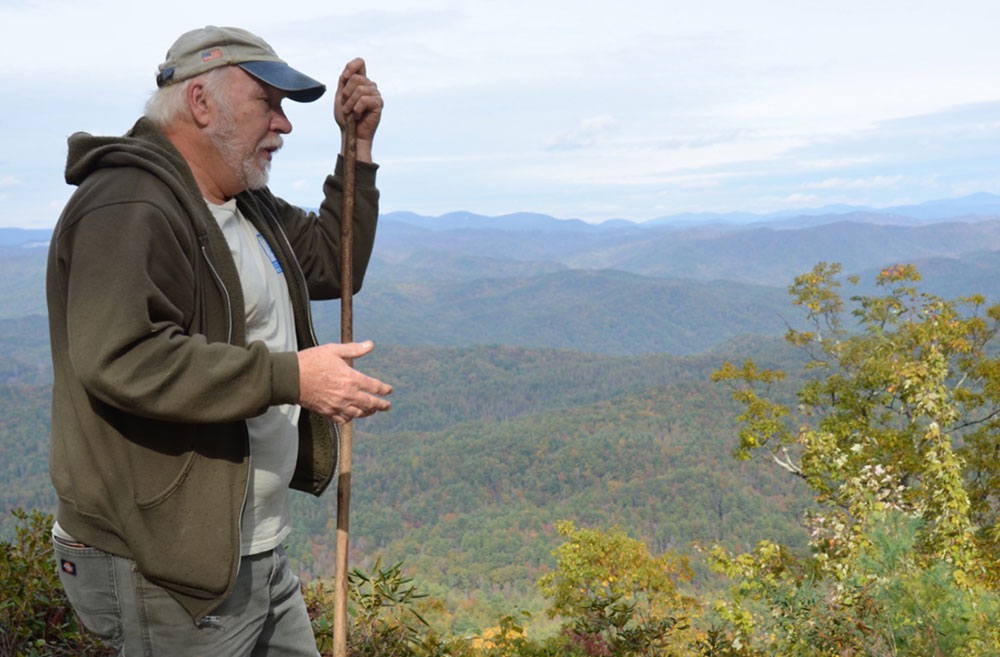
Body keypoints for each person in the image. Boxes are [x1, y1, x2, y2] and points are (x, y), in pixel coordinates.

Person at [45, 25, 392, 655]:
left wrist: (356, 150)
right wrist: (293, 378)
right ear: (201, 103)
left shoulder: (244, 202)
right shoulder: (127, 203)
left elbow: (334, 266)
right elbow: (121, 356)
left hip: (249, 548)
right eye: (269, 103)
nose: (284, 125)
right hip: (165, 564)